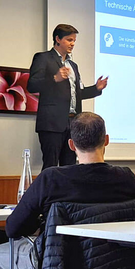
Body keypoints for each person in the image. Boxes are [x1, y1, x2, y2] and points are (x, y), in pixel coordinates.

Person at [0, 113, 135, 269]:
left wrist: (40, 222)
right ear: (106, 140)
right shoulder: (127, 178)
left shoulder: (52, 178)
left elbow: (13, 228)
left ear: (71, 144)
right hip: (114, 263)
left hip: (59, 263)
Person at [28, 24, 109, 170]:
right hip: (52, 123)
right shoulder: (43, 58)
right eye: (69, 40)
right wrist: (54, 78)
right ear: (57, 39)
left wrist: (96, 89)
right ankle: (49, 193)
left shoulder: (73, 65)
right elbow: (32, 85)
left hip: (73, 123)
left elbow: (78, 93)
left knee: (70, 167)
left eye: (74, 41)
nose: (72, 44)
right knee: (50, 166)